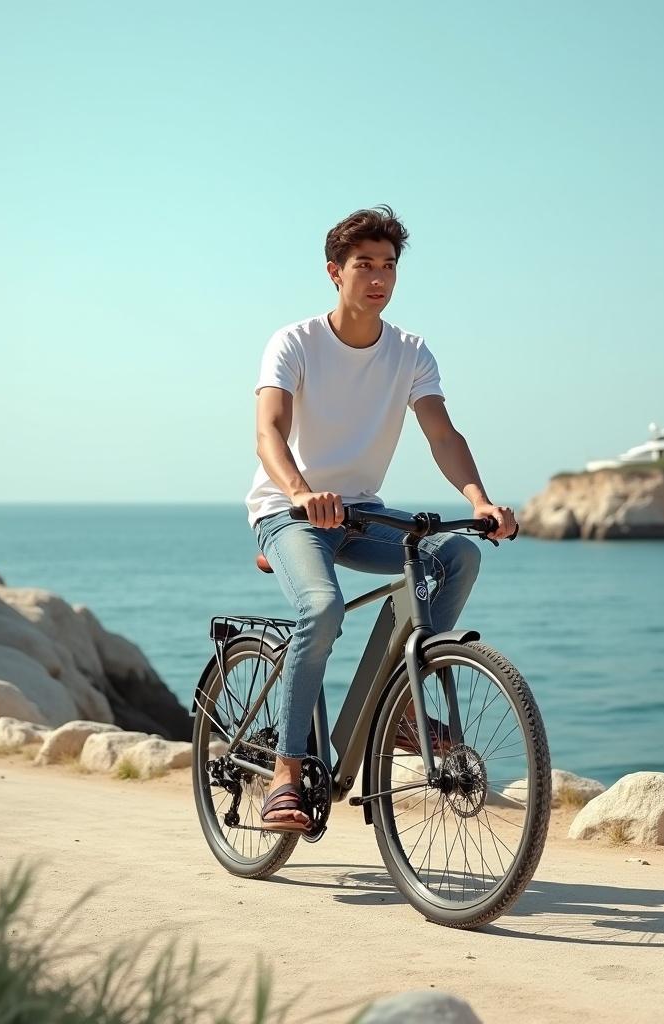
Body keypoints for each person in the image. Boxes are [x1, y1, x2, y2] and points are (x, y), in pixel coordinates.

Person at [246, 206, 516, 831]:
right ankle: (286, 774)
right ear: (334, 272)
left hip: (360, 513)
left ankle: (399, 702)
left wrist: (479, 499)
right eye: (364, 264)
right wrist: (300, 492)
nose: (378, 277)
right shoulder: (294, 342)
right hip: (289, 509)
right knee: (322, 608)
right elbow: (270, 432)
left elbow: (443, 434)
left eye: (389, 266)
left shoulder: (410, 352)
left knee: (458, 554)